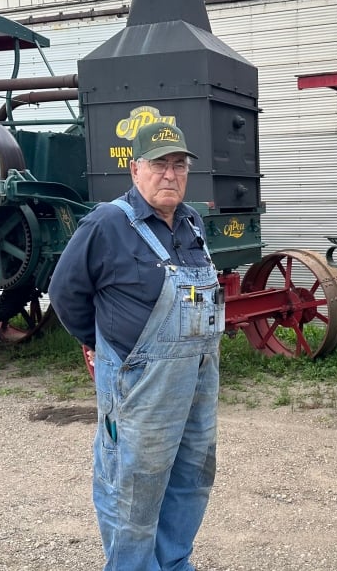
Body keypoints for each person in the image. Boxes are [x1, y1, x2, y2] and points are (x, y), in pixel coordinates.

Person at [48, 121, 223, 571]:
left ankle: (173, 562)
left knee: (191, 477)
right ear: (135, 168)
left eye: (179, 165)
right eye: (160, 164)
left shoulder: (192, 223)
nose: (171, 174)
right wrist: (104, 347)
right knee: (132, 487)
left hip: (198, 378)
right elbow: (66, 293)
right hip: (140, 381)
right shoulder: (108, 223)